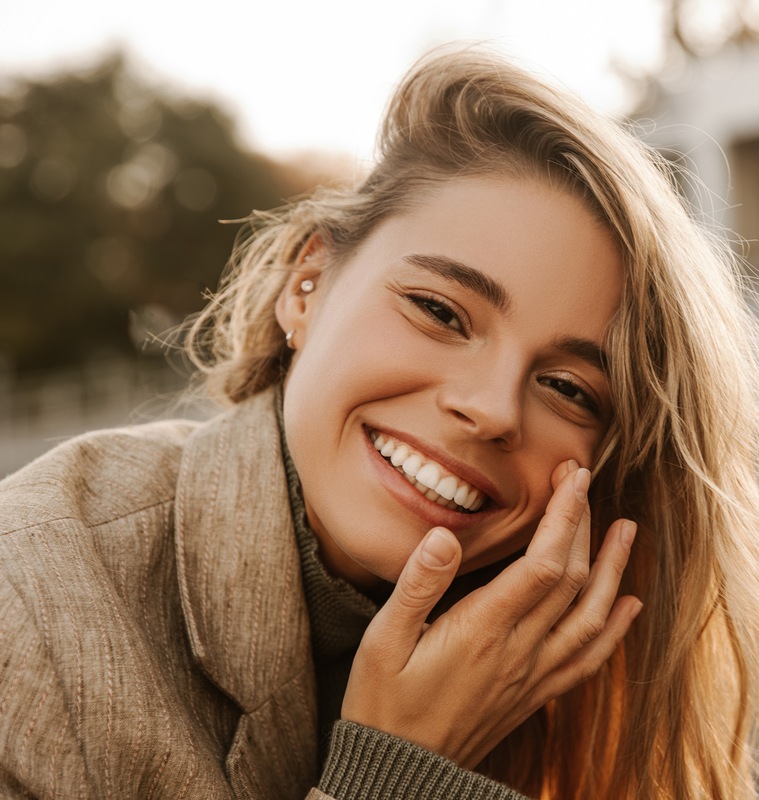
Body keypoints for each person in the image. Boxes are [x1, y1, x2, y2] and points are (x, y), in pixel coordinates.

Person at [0, 46, 757, 800]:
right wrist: (397, 769)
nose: (490, 408)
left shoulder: (577, 692)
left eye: (567, 387)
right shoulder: (32, 600)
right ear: (307, 285)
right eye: (438, 311)